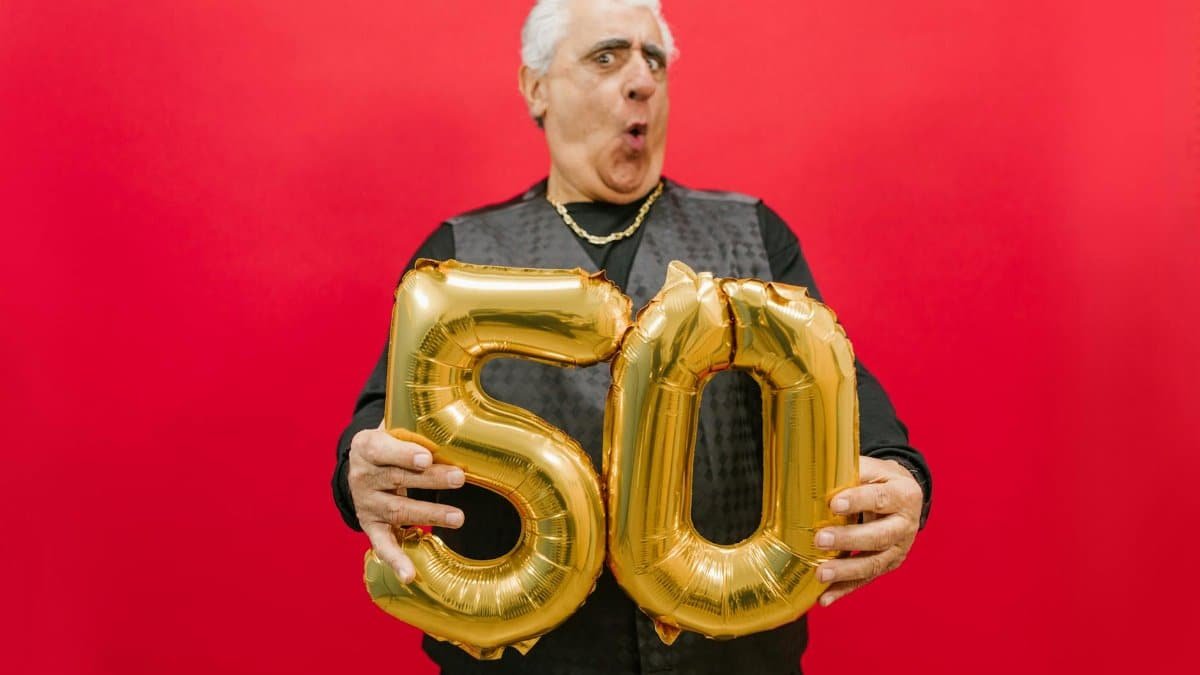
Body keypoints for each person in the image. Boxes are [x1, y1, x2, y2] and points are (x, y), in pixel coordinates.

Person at [332, 1, 932, 673]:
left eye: (655, 59)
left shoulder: (756, 234)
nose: (642, 78)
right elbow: (378, 424)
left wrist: (900, 474)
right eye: (607, 57)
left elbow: (845, 388)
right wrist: (360, 472)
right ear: (536, 88)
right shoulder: (458, 257)